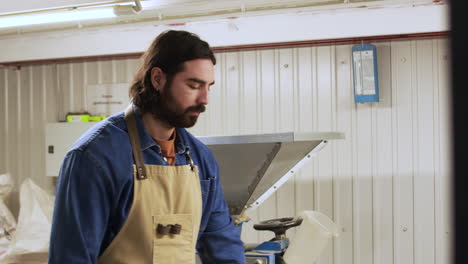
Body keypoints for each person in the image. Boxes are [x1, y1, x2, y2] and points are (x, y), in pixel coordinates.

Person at [49, 30, 247, 264]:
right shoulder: (95, 157)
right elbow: (72, 258)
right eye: (194, 86)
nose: (205, 99)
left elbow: (223, 248)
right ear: (158, 79)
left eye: (208, 87)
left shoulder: (200, 159)